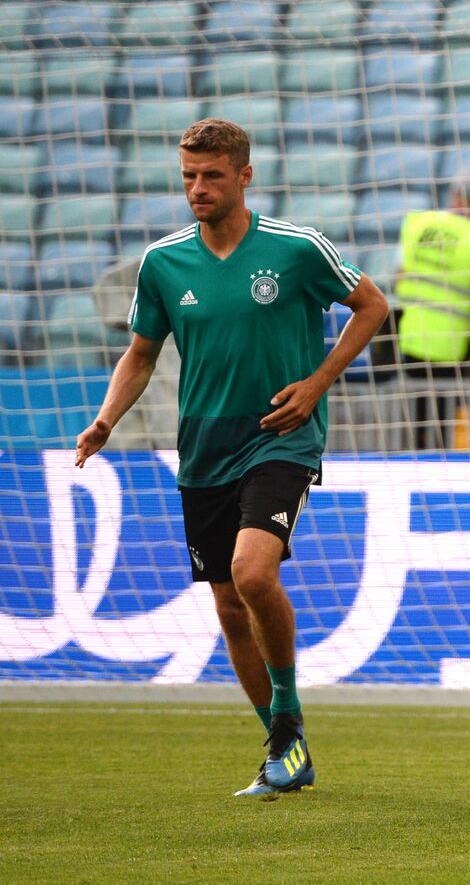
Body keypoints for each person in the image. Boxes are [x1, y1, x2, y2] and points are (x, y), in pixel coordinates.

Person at [74, 119, 389, 798]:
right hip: (203, 445)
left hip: (280, 433)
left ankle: (288, 715)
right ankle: (285, 743)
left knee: (252, 572)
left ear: (244, 176)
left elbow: (372, 306)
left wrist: (316, 384)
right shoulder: (163, 263)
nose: (198, 188)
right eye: (189, 176)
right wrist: (105, 419)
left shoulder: (296, 248)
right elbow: (141, 354)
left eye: (212, 175)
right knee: (226, 603)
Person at [395, 171, 470, 450]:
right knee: (442, 424)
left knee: (411, 420)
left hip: (410, 336)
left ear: (453, 193)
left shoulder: (417, 224)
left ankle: (410, 463)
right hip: (450, 345)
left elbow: (399, 276)